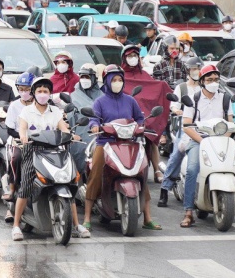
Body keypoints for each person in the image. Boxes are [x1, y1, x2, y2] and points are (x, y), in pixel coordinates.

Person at [179, 65, 235, 228]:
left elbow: (230, 123)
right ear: (202, 81)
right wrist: (202, 141)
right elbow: (186, 125)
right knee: (192, 169)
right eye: (209, 80)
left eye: (216, 80)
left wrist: (225, 137)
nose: (213, 83)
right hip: (200, 140)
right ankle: (188, 211)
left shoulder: (225, 99)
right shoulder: (194, 99)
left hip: (221, 140)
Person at [83, 65, 161, 231]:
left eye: (119, 79)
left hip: (129, 142)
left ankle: (147, 218)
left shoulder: (130, 100)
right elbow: (94, 119)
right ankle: (88, 218)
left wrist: (141, 126)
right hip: (105, 143)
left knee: (141, 173)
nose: (117, 83)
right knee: (96, 174)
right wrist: (95, 125)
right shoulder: (100, 102)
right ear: (107, 81)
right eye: (114, 80)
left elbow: (140, 118)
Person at [11, 77, 90, 241]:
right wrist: (24, 137)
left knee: (69, 183)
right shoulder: (26, 112)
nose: (42, 94)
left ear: (49, 94)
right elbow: (23, 130)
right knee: (26, 184)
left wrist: (70, 135)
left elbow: (63, 128)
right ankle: (16, 225)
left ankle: (76, 224)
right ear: (34, 93)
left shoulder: (56, 111)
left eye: (45, 91)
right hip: (33, 151)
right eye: (39, 91)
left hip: (55, 151)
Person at [120, 44, 171, 184]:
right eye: (129, 56)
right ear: (124, 58)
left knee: (152, 138)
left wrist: (163, 87)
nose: (132, 58)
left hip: (146, 116)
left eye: (135, 56)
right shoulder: (121, 76)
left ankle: (156, 170)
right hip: (127, 117)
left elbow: (152, 92)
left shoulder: (145, 75)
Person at [158, 56, 203, 207]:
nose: (196, 72)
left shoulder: (205, 87)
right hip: (186, 127)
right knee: (178, 153)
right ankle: (165, 188)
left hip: (205, 127)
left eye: (198, 69)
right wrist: (177, 110)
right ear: (188, 71)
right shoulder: (182, 87)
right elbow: (173, 105)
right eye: (193, 69)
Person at [2, 71, 35, 221]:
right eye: (21, 89)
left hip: (39, 142)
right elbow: (9, 129)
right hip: (18, 141)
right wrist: (22, 137)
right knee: (16, 159)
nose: (24, 92)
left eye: (27, 89)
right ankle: (12, 188)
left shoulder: (40, 104)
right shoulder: (14, 105)